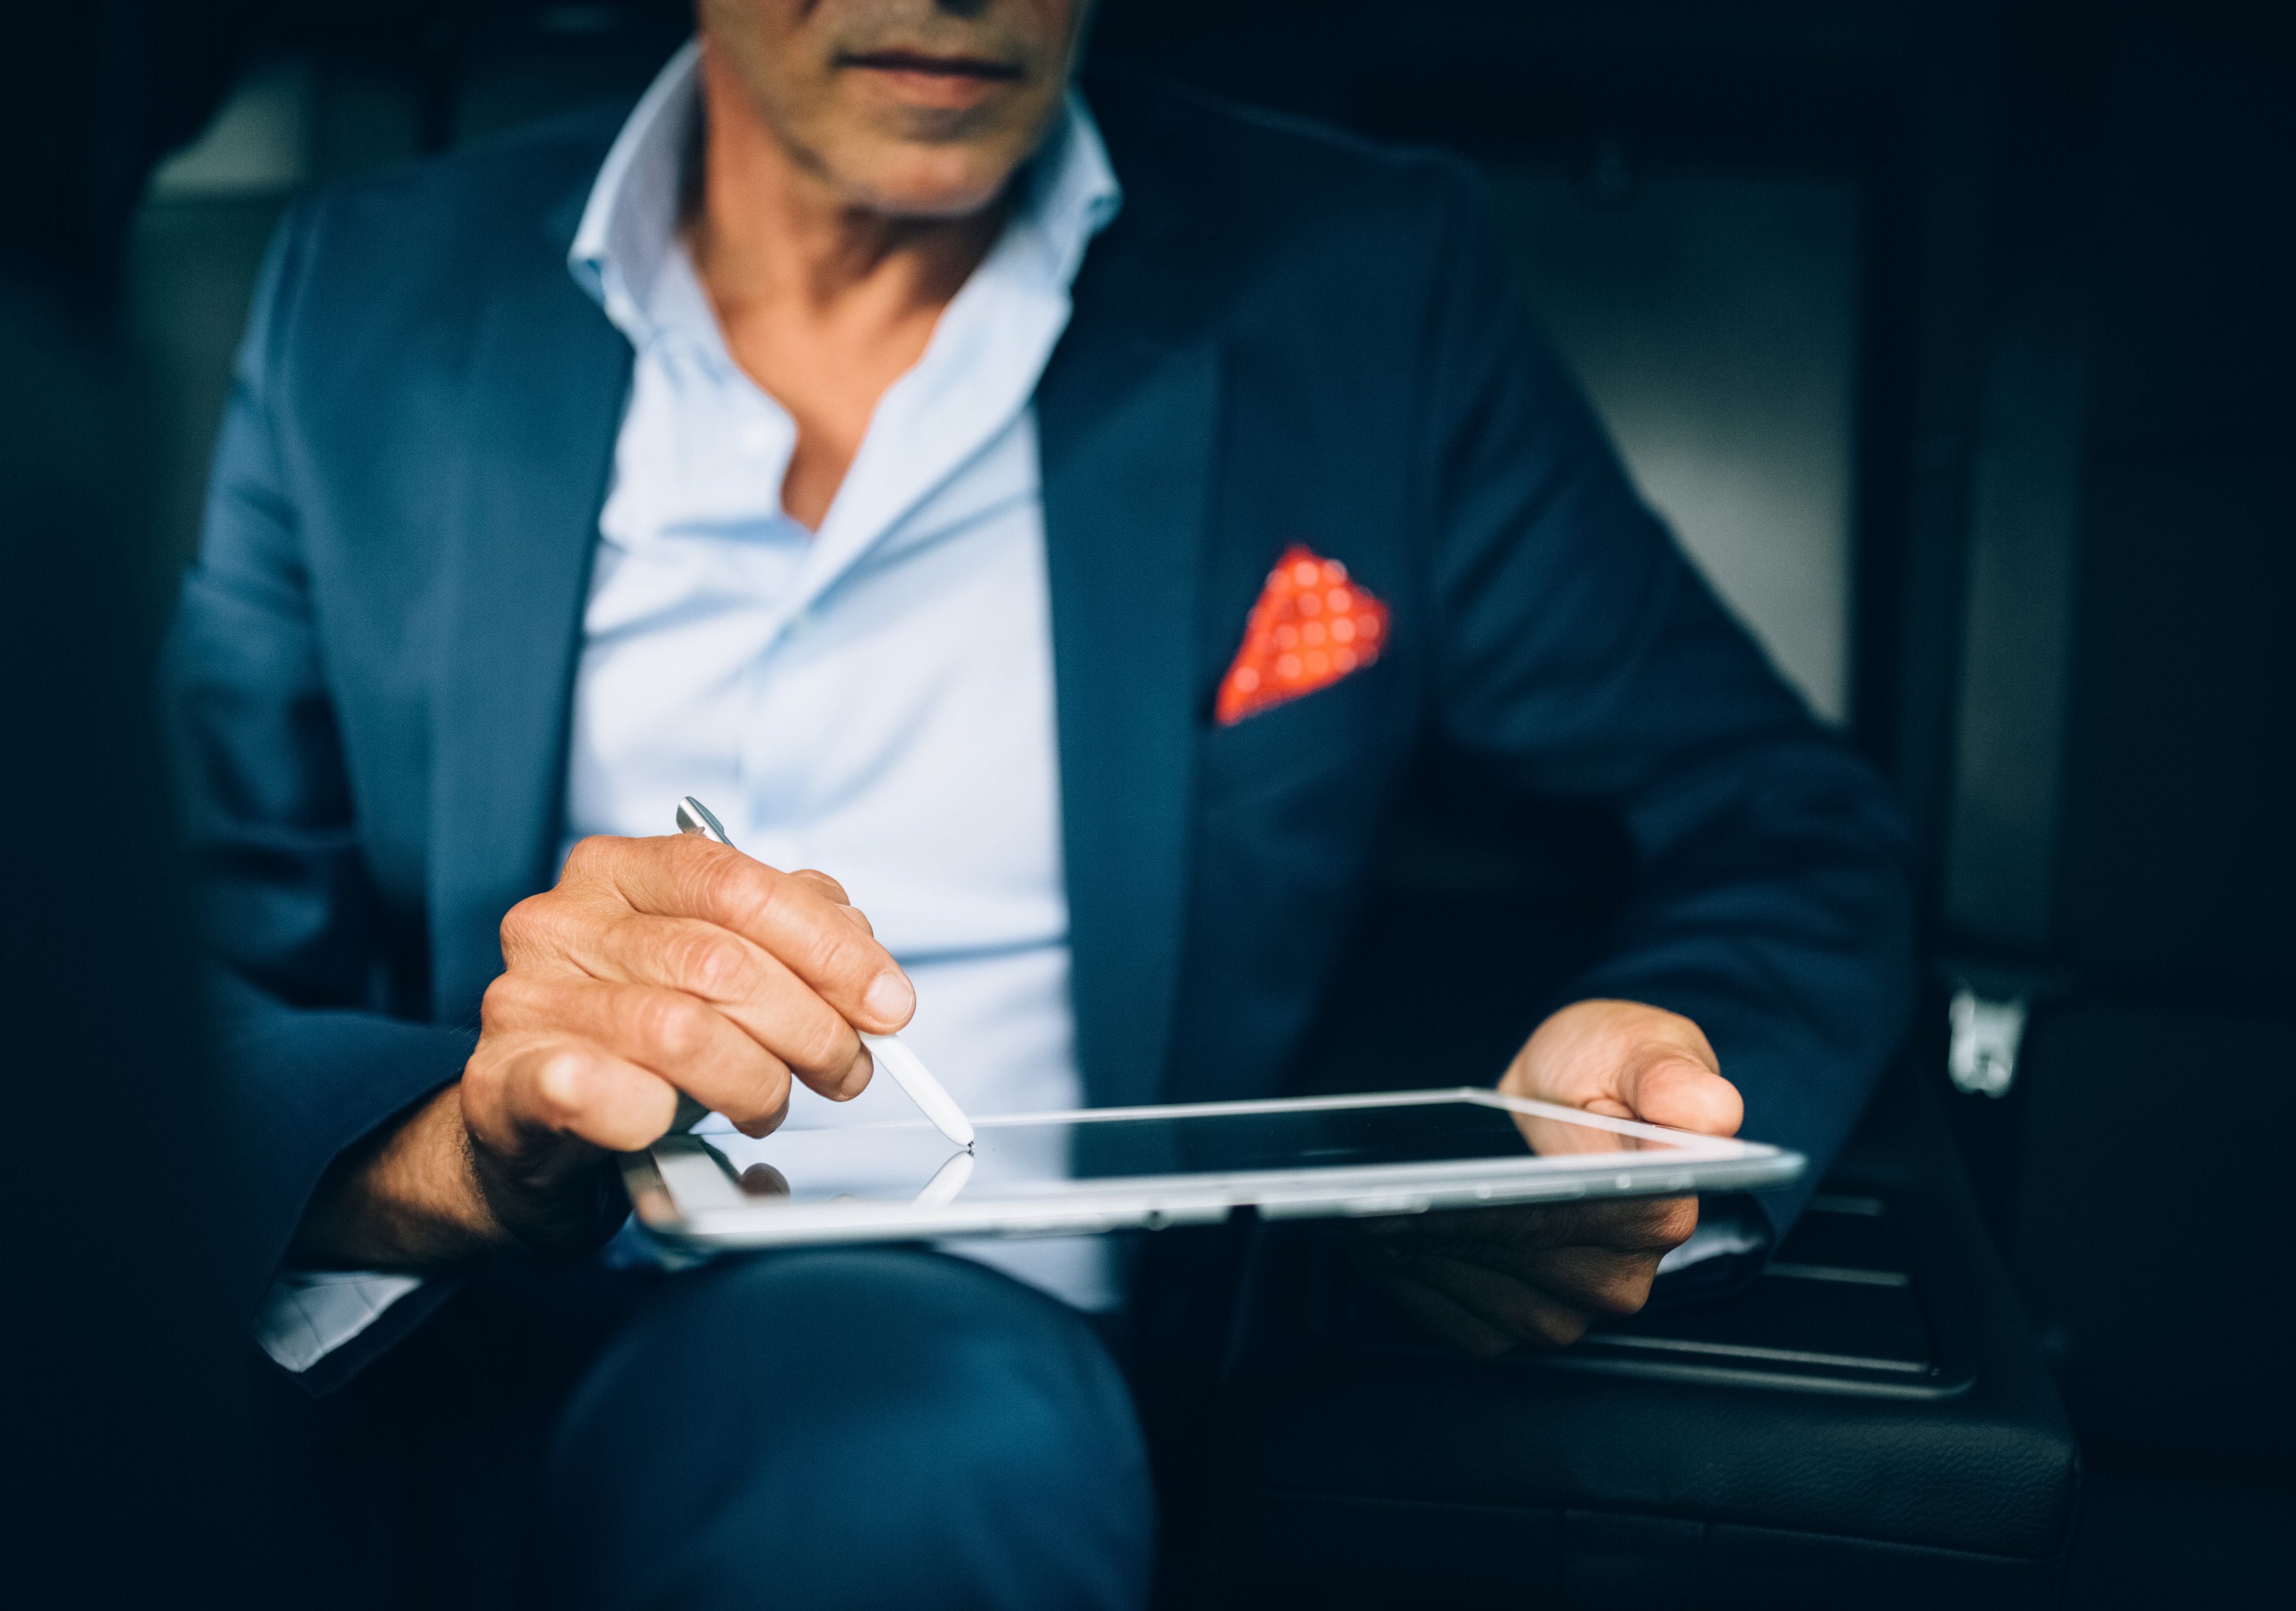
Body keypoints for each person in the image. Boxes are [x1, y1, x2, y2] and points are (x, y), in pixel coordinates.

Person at [164, 1, 1913, 1604]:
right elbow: (167, 985)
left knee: (887, 1469)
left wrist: (1657, 1080)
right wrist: (453, 1156)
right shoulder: (367, 296)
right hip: (432, 1343)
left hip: (984, 1397)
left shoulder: (1365, 285)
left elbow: (1775, 810)